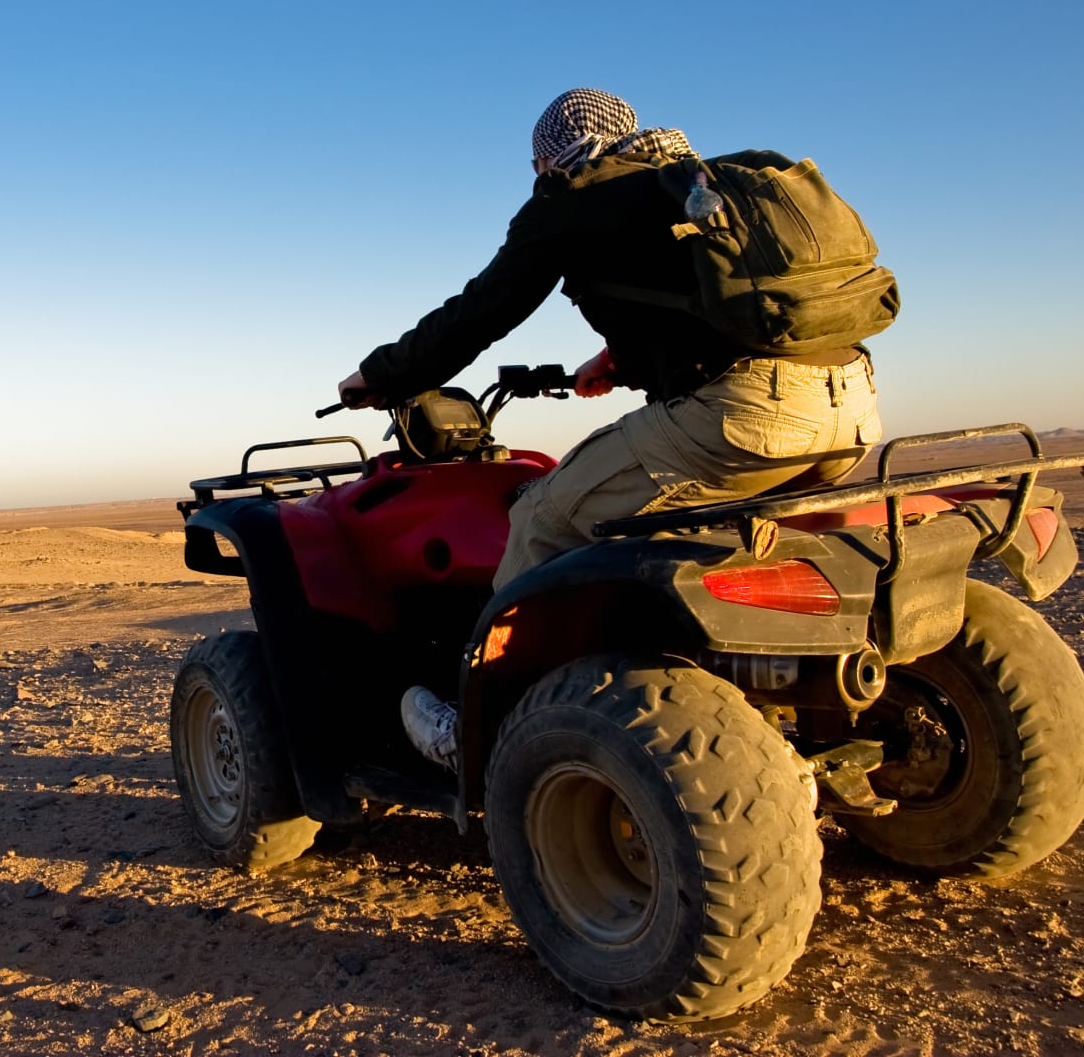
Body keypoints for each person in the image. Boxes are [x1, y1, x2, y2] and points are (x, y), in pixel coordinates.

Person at [337, 88, 884, 770]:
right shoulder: (690, 186)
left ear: (549, 156)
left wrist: (380, 377)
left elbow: (477, 315)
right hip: (852, 407)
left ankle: (477, 725)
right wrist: (622, 358)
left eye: (535, 161)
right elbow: (718, 304)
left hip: (742, 418)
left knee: (539, 515)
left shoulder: (567, 203)